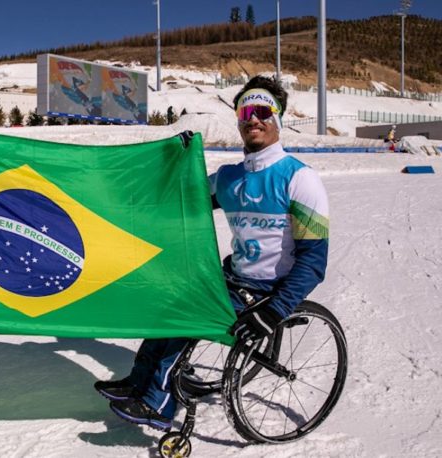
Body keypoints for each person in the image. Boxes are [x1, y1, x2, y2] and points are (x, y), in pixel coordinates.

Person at [94, 75, 330, 431]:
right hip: (233, 280)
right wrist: (177, 158)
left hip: (271, 291)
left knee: (190, 316)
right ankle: (140, 380)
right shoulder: (230, 178)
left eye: (263, 111)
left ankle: (159, 402)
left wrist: (276, 309)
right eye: (246, 110)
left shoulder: (300, 179)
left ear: (278, 118)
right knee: (167, 302)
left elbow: (314, 261)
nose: (254, 118)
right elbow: (183, 199)